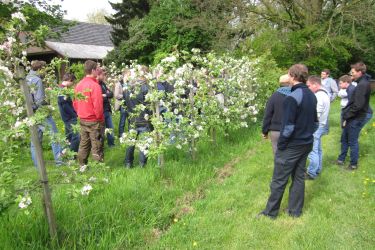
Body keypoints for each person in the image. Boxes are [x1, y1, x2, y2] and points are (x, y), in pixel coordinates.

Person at [258, 64, 317, 219]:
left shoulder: (292, 97)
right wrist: (306, 135)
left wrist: (282, 145)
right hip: (306, 143)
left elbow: (288, 127)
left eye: (288, 74)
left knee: (278, 180)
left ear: (292, 76)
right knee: (298, 177)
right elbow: (315, 123)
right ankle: (295, 211)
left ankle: (270, 213)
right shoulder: (312, 95)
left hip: (292, 145)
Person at [26, 60, 63, 167]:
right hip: (41, 113)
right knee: (54, 137)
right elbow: (39, 100)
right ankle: (59, 162)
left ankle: (38, 165)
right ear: (40, 69)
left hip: (31, 113)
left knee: (35, 142)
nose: (45, 73)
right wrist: (48, 104)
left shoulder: (26, 78)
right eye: (44, 70)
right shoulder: (37, 80)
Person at [337, 62, 372, 170]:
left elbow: (358, 105)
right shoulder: (362, 82)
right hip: (354, 116)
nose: (351, 74)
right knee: (345, 138)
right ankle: (341, 159)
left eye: (353, 72)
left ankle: (353, 164)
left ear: (360, 72)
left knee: (352, 140)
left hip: (357, 117)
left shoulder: (362, 85)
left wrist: (347, 116)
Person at [73, 60, 104, 166]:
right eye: (97, 69)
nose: (98, 71)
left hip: (82, 119)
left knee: (84, 144)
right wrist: (99, 119)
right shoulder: (95, 86)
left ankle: (82, 166)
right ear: (93, 70)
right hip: (94, 120)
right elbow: (98, 105)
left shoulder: (79, 85)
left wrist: (80, 113)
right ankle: (99, 168)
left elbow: (75, 103)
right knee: (97, 144)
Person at [123, 67, 152, 168]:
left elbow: (125, 103)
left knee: (131, 142)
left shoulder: (128, 87)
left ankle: (128, 163)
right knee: (144, 143)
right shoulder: (146, 87)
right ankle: (142, 164)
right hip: (144, 119)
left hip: (132, 118)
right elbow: (149, 105)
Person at [305, 76, 330, 180]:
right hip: (322, 125)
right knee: (318, 149)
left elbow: (316, 114)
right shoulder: (325, 93)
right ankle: (318, 169)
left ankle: (311, 173)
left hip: (317, 126)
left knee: (312, 150)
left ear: (315, 84)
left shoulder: (318, 96)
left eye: (309, 86)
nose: (308, 88)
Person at [262, 74, 291, 155]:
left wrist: (265, 131)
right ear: (290, 83)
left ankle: (279, 167)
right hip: (291, 130)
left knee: (277, 154)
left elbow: (268, 115)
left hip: (276, 131)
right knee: (289, 154)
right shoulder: (295, 95)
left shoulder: (273, 96)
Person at [57, 73, 80, 153]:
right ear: (70, 80)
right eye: (73, 82)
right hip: (69, 117)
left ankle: (65, 153)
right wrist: (74, 114)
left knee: (69, 136)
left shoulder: (62, 88)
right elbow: (65, 106)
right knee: (76, 136)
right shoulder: (62, 90)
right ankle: (72, 155)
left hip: (67, 117)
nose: (72, 85)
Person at [97, 68, 115, 147]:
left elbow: (111, 93)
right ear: (98, 75)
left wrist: (105, 95)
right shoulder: (96, 85)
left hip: (107, 110)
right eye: (103, 75)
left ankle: (111, 144)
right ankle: (99, 146)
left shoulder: (103, 84)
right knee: (101, 130)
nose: (104, 76)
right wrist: (105, 96)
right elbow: (98, 98)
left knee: (110, 128)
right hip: (101, 110)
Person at [115, 69, 130, 138]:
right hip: (123, 104)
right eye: (128, 75)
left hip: (130, 104)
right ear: (125, 75)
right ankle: (120, 135)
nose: (129, 76)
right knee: (122, 121)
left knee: (130, 120)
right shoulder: (119, 84)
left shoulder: (130, 83)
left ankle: (131, 134)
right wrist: (125, 96)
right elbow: (116, 95)